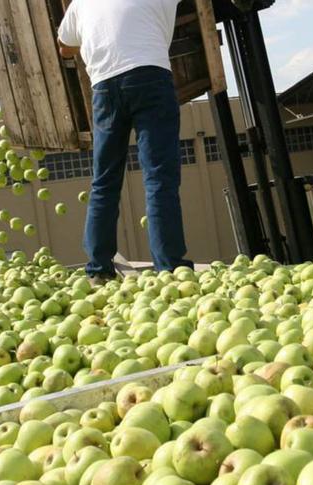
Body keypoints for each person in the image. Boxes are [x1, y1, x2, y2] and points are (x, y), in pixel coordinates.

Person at [57, 0, 192, 282]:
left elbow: (64, 45)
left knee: (104, 181)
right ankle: (169, 268)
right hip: (150, 76)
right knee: (159, 177)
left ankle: (98, 270)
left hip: (104, 87)